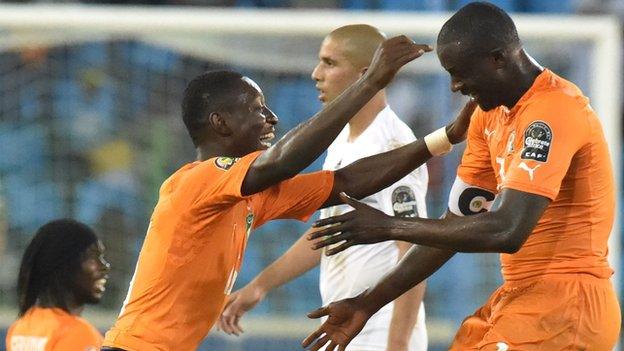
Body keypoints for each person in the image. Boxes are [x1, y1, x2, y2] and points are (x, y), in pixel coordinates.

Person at [102, 35, 476, 351]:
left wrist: (444, 138)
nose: (272, 118)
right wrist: (370, 82)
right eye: (257, 109)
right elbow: (282, 162)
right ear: (221, 123)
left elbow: (345, 183)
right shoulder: (195, 182)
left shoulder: (249, 195)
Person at [302, 3, 621, 351]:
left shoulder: (554, 111)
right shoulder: (488, 116)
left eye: (460, 73)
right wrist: (367, 303)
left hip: (568, 303)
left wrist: (389, 226)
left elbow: (507, 229)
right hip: (521, 298)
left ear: (498, 58)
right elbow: (454, 226)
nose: (455, 86)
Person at [218, 24, 428, 351]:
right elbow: (330, 230)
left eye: (330, 63)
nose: (316, 73)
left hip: (380, 331)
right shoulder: (343, 139)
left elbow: (415, 247)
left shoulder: (393, 146)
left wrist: (398, 342)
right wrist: (260, 285)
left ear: (365, 74)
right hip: (344, 326)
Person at [6, 219, 110, 351]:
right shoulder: (78, 334)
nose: (105, 266)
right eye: (93, 257)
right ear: (65, 265)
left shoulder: (19, 329)